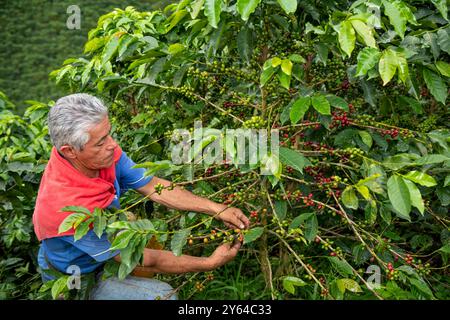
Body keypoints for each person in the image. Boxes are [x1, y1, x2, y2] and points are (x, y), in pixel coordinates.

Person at [32, 93, 250, 300]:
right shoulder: (63, 210)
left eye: (109, 133)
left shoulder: (103, 155)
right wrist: (208, 263)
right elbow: (145, 259)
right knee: (160, 295)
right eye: (100, 142)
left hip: (106, 255)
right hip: (75, 273)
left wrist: (216, 208)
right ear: (69, 151)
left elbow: (154, 186)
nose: (113, 145)